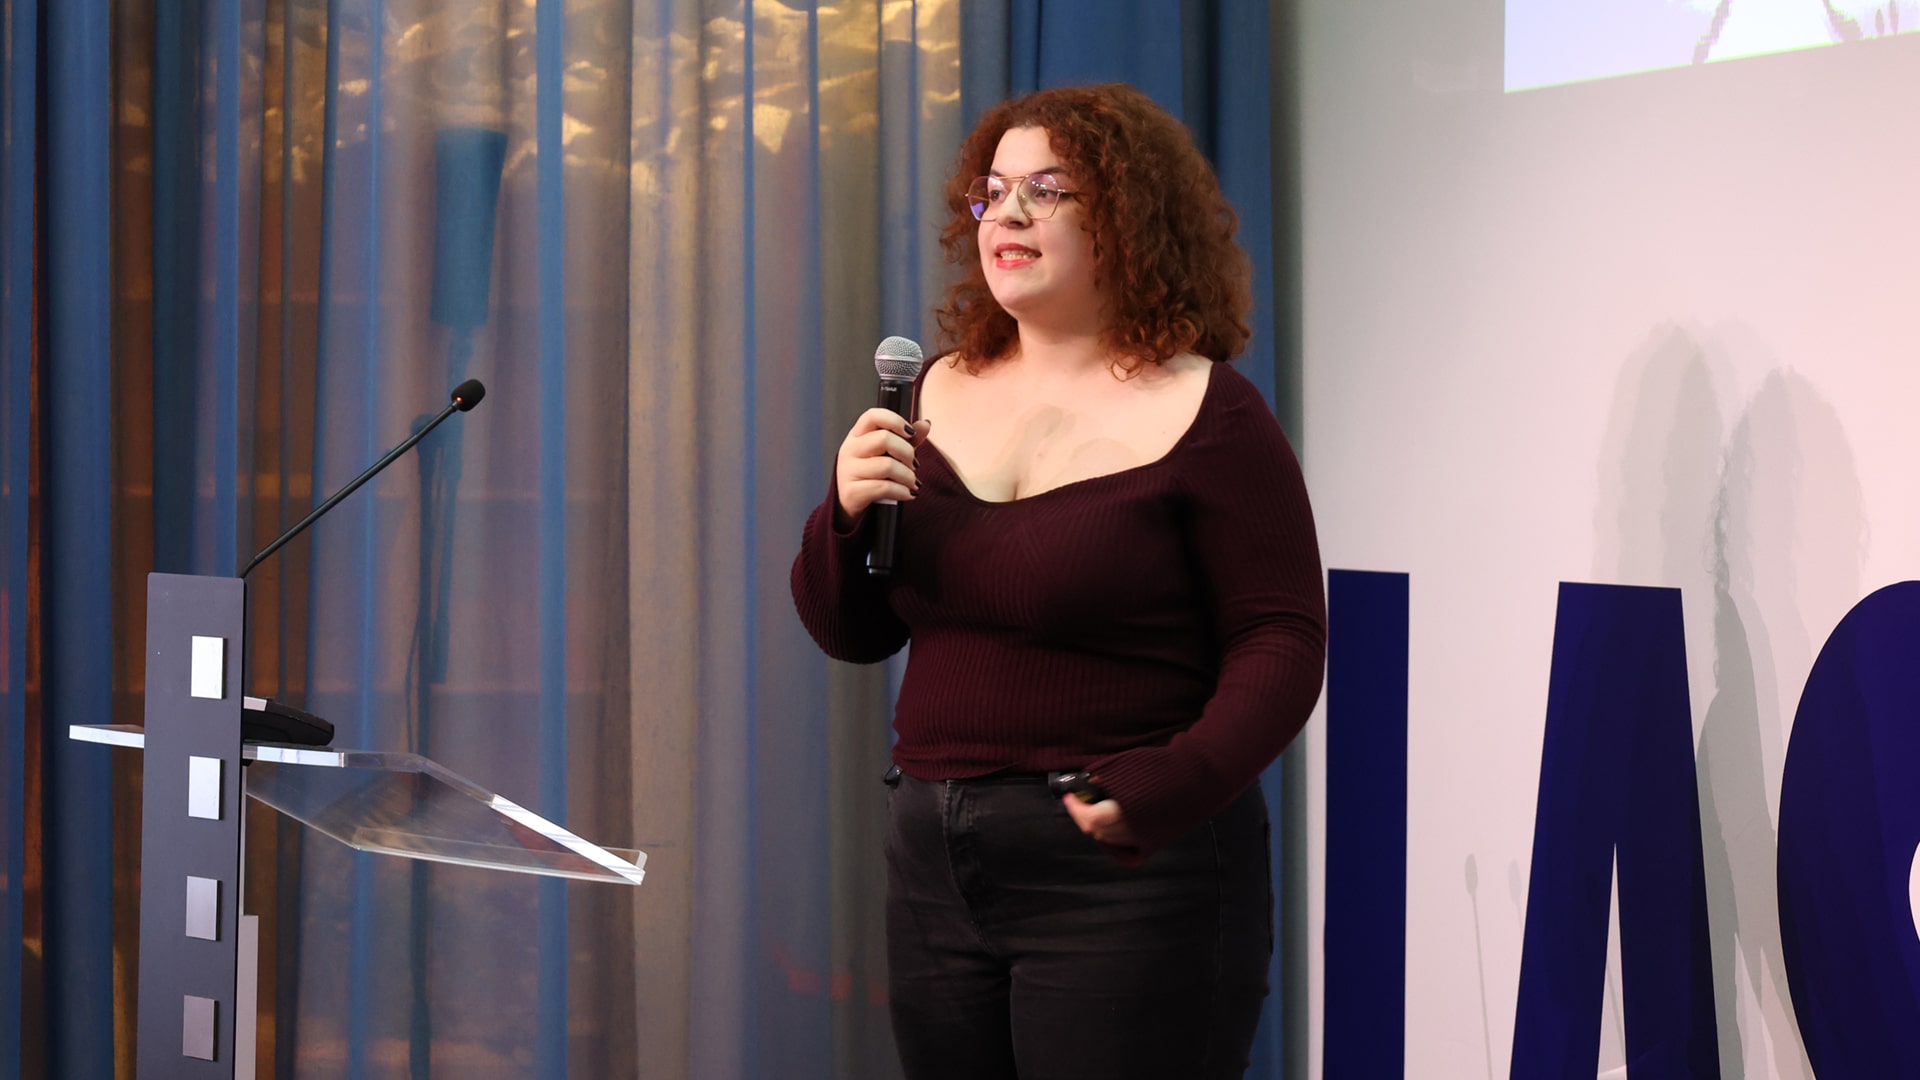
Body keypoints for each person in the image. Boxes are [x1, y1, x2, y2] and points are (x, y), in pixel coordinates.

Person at [790, 83, 1325, 1080]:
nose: (1010, 215)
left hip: (1126, 872)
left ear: (1124, 215)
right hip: (936, 864)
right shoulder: (925, 391)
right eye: (993, 193)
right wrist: (844, 514)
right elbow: (851, 632)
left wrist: (1169, 784)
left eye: (1047, 189)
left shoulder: (1211, 412)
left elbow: (1283, 641)